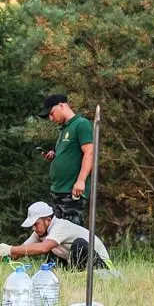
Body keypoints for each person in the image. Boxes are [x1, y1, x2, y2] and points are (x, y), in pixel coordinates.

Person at [0, 200, 111, 269]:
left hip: (102, 266)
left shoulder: (60, 226)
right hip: (80, 264)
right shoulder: (41, 232)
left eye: (36, 224)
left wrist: (10, 249)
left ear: (48, 220)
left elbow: (43, 248)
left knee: (76, 244)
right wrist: (6, 254)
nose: (34, 228)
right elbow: (22, 249)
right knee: (53, 252)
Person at [42, 94, 95, 222]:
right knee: (58, 232)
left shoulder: (81, 124)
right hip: (58, 190)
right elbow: (68, 153)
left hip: (72, 191)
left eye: (51, 113)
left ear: (61, 106)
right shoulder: (64, 129)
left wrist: (81, 180)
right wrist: (54, 156)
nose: (51, 118)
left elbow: (89, 152)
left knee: (71, 230)